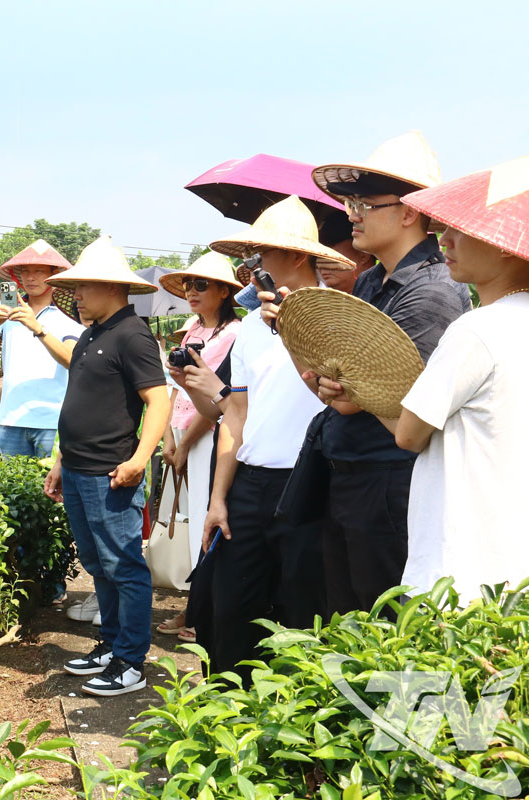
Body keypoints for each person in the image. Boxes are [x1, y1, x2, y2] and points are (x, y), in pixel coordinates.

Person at [337, 158, 529, 602]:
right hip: (510, 561)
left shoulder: (477, 329)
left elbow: (409, 433)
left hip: (457, 567)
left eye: (462, 230)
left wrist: (359, 385)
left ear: (503, 244)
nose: (445, 240)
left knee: (425, 674)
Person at [300, 131, 472, 615]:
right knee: (349, 618)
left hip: (390, 482)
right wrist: (335, 382)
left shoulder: (431, 293)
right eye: (350, 201)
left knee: (389, 625)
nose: (350, 213)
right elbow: (338, 380)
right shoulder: (373, 280)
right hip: (352, 473)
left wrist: (342, 386)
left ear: (410, 211)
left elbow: (391, 399)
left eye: (363, 203)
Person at [200, 196, 355, 677]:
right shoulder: (249, 328)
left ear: (295, 256)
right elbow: (236, 415)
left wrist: (291, 329)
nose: (253, 268)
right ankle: (225, 727)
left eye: (262, 256)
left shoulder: (342, 315)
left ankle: (289, 738)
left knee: (300, 614)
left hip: (312, 484)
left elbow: (343, 398)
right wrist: (219, 497)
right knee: (231, 613)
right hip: (250, 482)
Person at [41, 236, 170, 696]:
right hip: (77, 469)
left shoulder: (133, 335)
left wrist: (138, 459)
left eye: (83, 287)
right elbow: (79, 402)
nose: (75, 295)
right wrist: (60, 461)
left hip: (111, 472)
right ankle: (111, 644)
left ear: (113, 288)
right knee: (97, 564)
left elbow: (158, 400)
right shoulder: (93, 332)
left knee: (123, 565)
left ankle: (131, 661)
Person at [154, 252, 243, 641]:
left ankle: (201, 611)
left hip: (209, 436)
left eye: (201, 284)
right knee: (190, 524)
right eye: (189, 284)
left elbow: (220, 402)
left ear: (224, 291)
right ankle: (195, 606)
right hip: (182, 437)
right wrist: (169, 437)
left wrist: (186, 442)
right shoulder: (191, 329)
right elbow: (176, 388)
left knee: (206, 521)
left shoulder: (233, 334)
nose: (191, 291)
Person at [0, 239, 85, 458]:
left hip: (51, 420)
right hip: (11, 419)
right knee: (13, 489)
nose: (31, 277)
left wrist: (38, 328)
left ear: (54, 275)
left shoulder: (67, 321)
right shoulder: (6, 316)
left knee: (49, 489)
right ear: (17, 277)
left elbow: (71, 360)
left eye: (39, 271)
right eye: (25, 272)